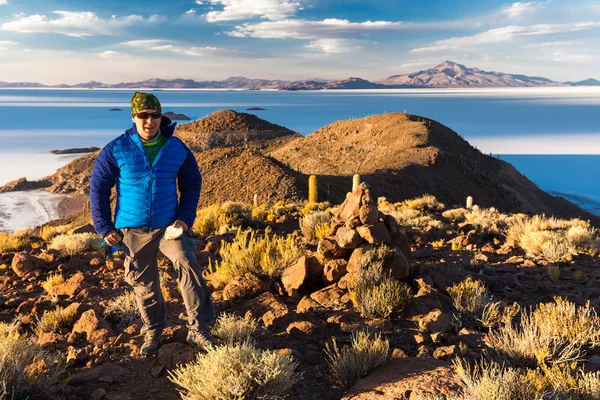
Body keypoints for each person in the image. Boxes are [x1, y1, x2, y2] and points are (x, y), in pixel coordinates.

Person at [90, 92, 215, 356]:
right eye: (143, 116)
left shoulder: (177, 148)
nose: (149, 121)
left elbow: (192, 184)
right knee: (144, 284)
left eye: (154, 115)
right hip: (131, 228)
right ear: (133, 117)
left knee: (187, 263)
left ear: (161, 117)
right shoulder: (116, 149)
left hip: (169, 225)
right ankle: (154, 331)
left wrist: (184, 219)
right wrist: (105, 227)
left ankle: (199, 329)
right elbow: (99, 189)